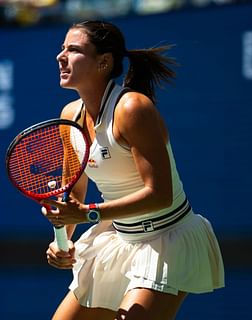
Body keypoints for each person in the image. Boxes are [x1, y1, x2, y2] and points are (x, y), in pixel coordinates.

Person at [40, 20, 225, 320]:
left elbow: (160, 195)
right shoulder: (69, 117)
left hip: (167, 239)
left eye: (73, 50)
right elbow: (73, 192)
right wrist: (63, 238)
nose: (60, 56)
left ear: (104, 62)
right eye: (62, 48)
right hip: (119, 238)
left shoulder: (132, 109)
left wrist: (87, 214)